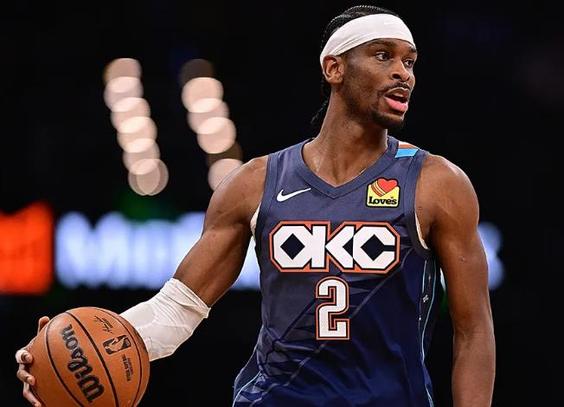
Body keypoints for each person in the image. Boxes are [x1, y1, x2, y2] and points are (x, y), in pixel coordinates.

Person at [16, 5, 495, 406]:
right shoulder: (255, 182)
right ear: (334, 68)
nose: (402, 73)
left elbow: (474, 331)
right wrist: (78, 348)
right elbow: (177, 309)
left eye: (410, 62)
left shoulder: (437, 183)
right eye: (383, 55)